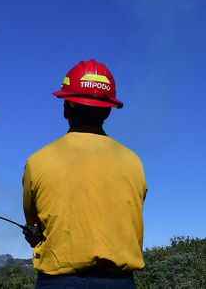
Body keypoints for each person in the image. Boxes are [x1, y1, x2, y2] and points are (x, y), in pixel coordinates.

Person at [22, 59, 147, 289]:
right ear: (109, 110)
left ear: (66, 107)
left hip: (59, 282)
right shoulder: (134, 162)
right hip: (120, 282)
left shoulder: (37, 161)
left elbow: (33, 221)